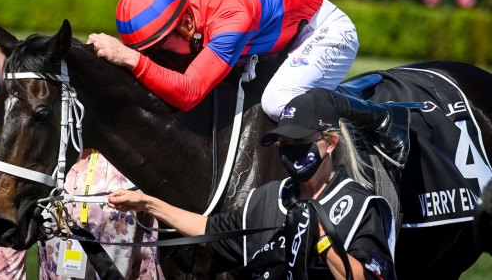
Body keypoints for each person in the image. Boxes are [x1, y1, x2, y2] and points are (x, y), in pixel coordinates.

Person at [108, 88, 397, 279]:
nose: (289, 150)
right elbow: (209, 230)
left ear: (330, 142)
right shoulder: (269, 197)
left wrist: (321, 236)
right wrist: (147, 203)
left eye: (299, 142)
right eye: (283, 143)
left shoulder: (362, 206)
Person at [88, 0, 359, 121]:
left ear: (186, 24)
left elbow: (189, 92)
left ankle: (371, 117)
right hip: (272, 41)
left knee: (277, 103)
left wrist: (131, 59)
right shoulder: (180, 5)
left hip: (322, 32)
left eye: (159, 48)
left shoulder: (231, 16)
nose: (157, 57)